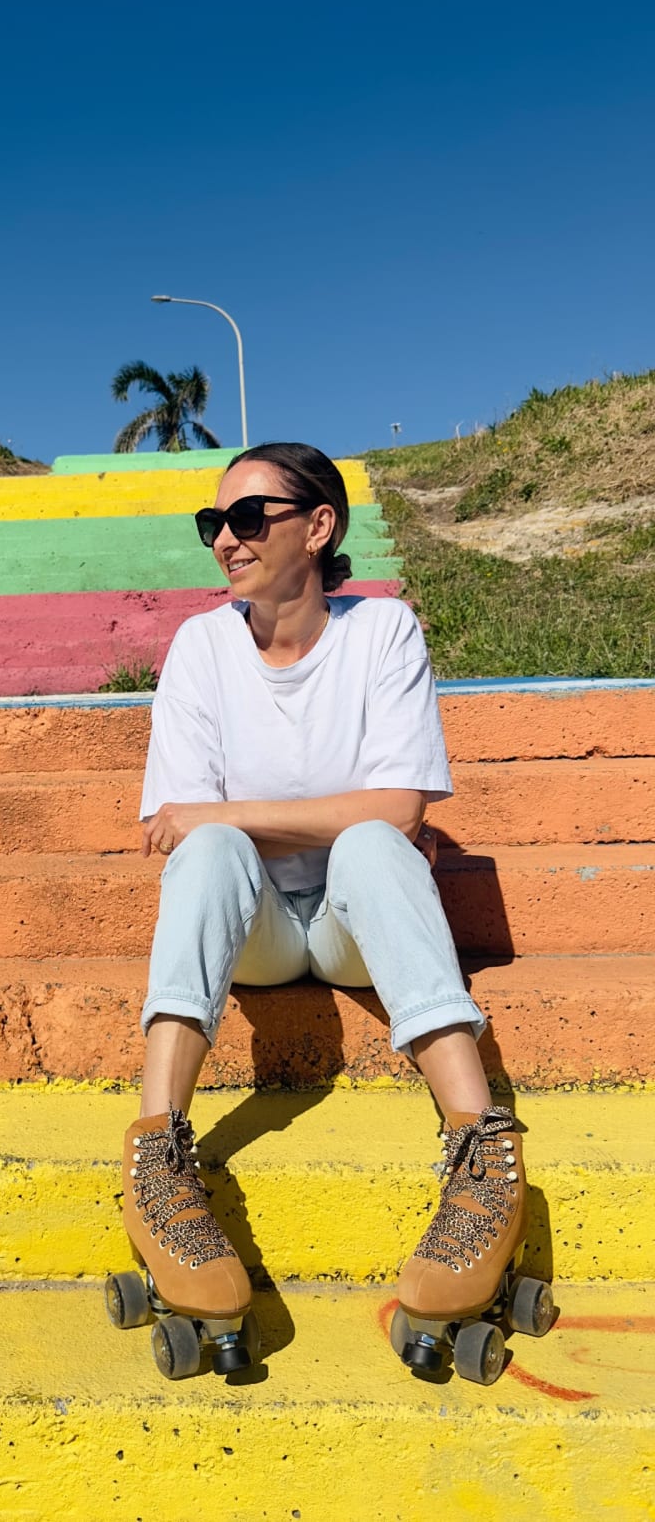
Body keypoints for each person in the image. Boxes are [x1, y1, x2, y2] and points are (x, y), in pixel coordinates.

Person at [119, 441, 527, 1376]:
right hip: (257, 928)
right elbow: (183, 835)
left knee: (372, 844)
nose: (225, 540)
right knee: (215, 850)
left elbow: (399, 810)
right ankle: (159, 1154)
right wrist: (226, 825)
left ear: (319, 526)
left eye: (248, 517)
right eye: (212, 523)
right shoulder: (201, 647)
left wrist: (227, 812)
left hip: (352, 927)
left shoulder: (382, 632)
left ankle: (481, 1149)